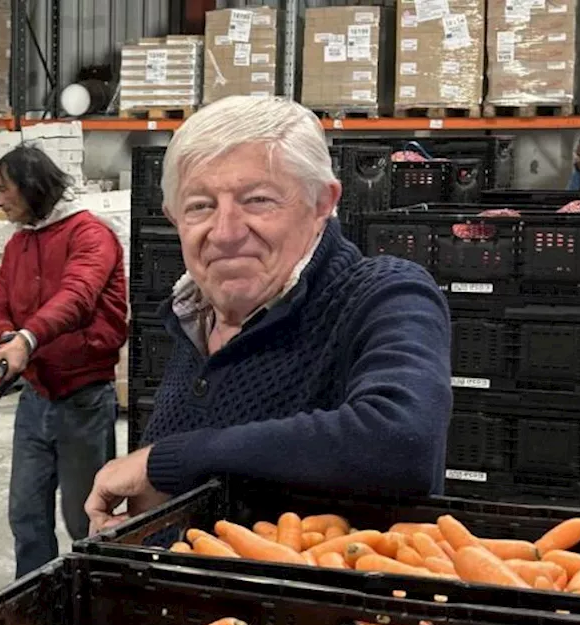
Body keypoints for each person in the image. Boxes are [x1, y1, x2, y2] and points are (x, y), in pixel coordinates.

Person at [83, 95, 454, 532]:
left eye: (257, 200)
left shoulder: (384, 294)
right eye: (200, 205)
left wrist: (164, 462)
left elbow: (402, 443)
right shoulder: (198, 316)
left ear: (322, 203)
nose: (225, 232)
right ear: (172, 218)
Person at [0, 144, 129, 579]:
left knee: (86, 518)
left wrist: (27, 339)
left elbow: (78, 297)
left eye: (4, 189)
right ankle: (35, 614)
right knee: (26, 514)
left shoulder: (89, 235)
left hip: (83, 400)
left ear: (31, 188)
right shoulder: (19, 244)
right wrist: (6, 337)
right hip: (36, 397)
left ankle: (95, 609)